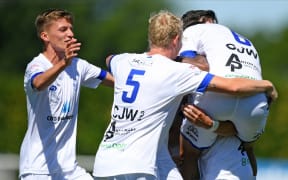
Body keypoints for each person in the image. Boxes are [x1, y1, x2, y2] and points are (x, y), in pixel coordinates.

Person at [92, 10, 277, 180]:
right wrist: (266, 85)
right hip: (140, 161)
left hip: (107, 158)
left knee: (182, 161)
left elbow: (109, 59)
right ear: (176, 40)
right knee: (211, 147)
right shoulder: (178, 71)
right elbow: (233, 87)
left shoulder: (123, 61)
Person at [177, 9, 273, 179]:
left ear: (204, 20)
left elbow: (193, 65)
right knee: (247, 148)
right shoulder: (247, 41)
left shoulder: (192, 30)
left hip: (216, 97)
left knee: (189, 154)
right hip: (254, 103)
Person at [19, 8, 114, 180]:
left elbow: (116, 81)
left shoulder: (78, 65)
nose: (70, 34)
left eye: (71, 28)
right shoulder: (36, 66)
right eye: (63, 29)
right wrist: (63, 63)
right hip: (38, 169)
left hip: (69, 170)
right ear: (45, 36)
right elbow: (39, 83)